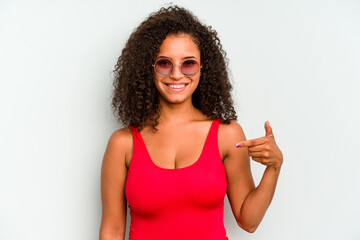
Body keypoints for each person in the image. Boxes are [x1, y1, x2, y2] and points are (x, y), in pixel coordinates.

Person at [99, 5, 283, 240]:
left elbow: (248, 222)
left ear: (203, 68)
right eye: (164, 63)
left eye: (188, 63)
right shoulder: (123, 143)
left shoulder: (227, 135)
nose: (176, 74)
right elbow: (112, 230)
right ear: (149, 68)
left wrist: (273, 167)